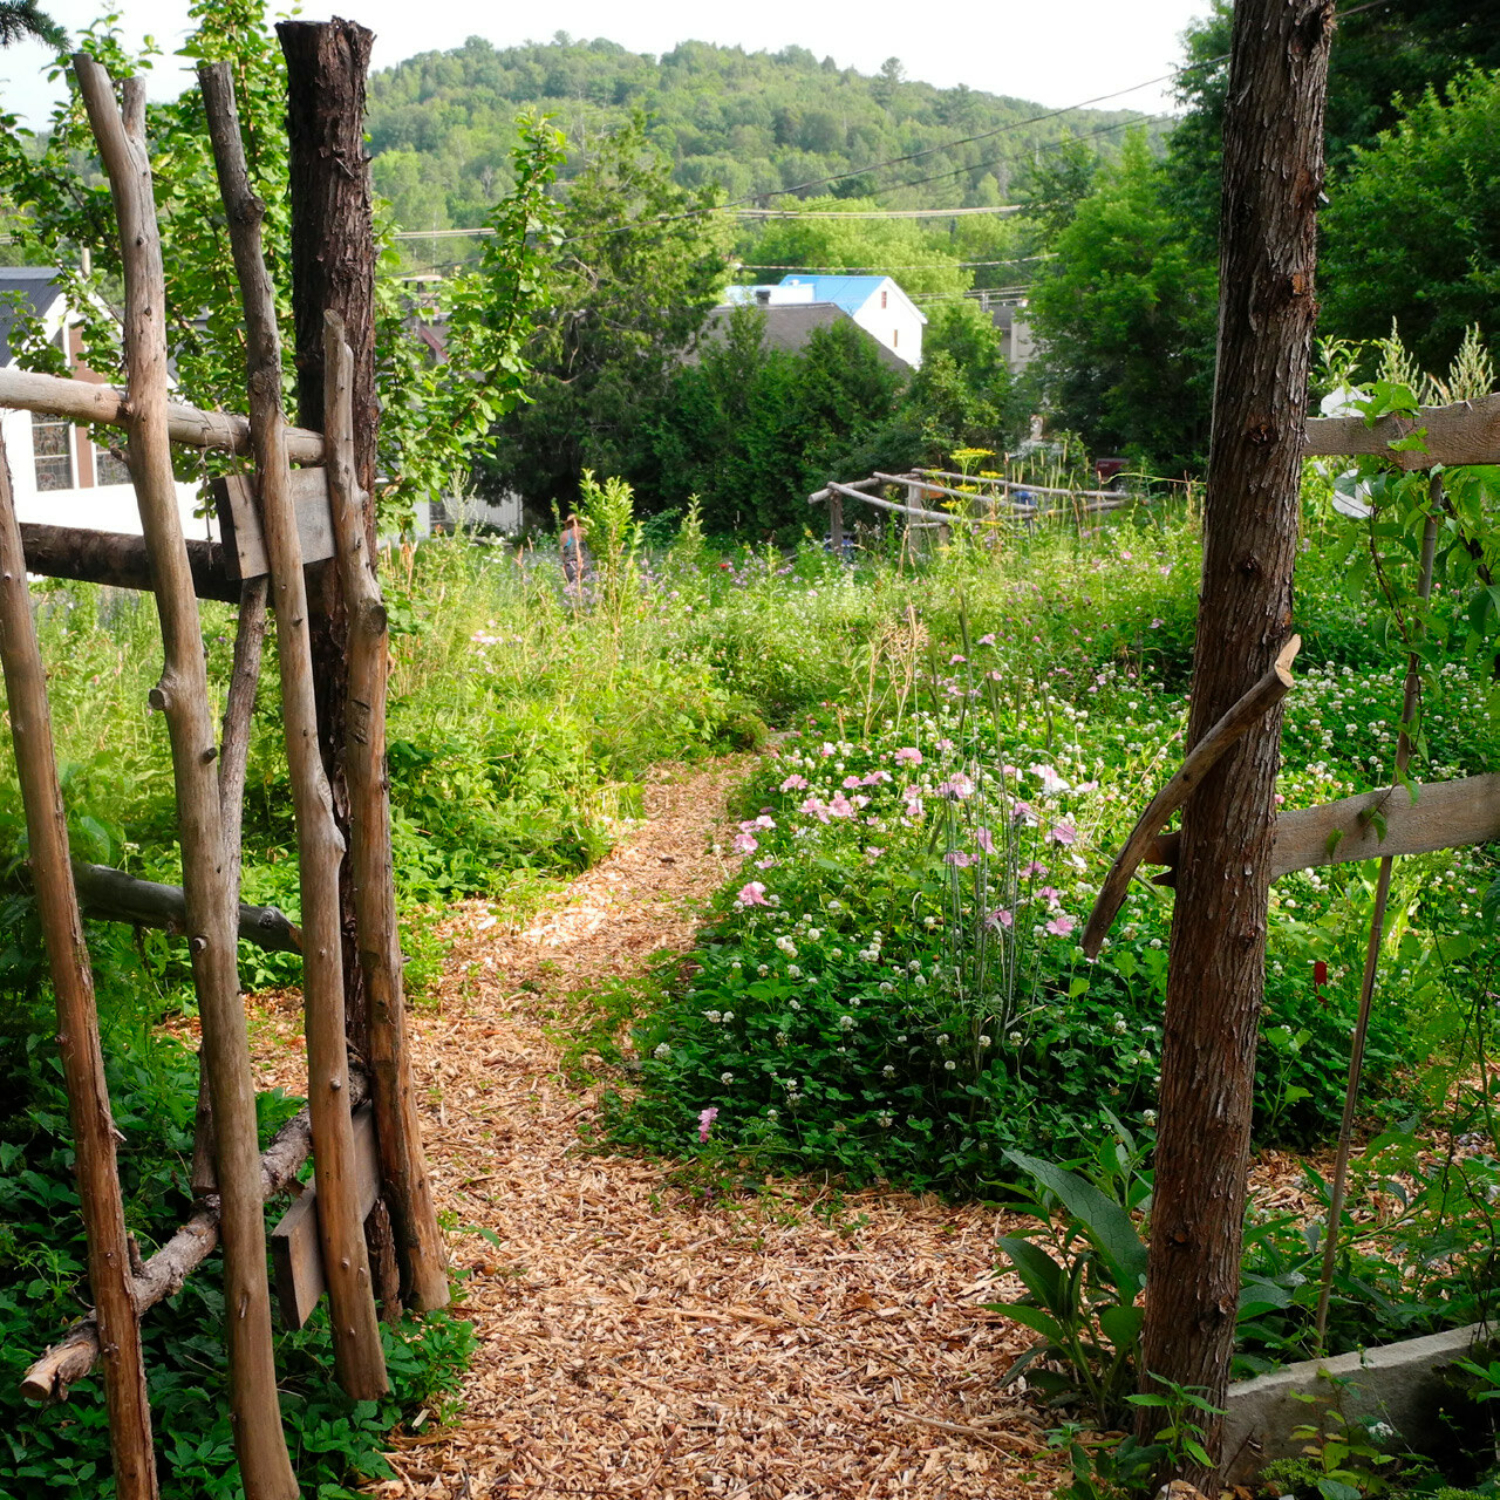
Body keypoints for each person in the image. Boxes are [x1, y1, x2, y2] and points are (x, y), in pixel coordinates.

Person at [560, 514, 589, 606]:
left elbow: (562, 553)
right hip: (583, 565)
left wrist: (564, 565)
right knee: (585, 591)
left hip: (569, 566)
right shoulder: (584, 531)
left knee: (572, 592)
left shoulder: (563, 534)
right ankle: (583, 609)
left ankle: (573, 609)